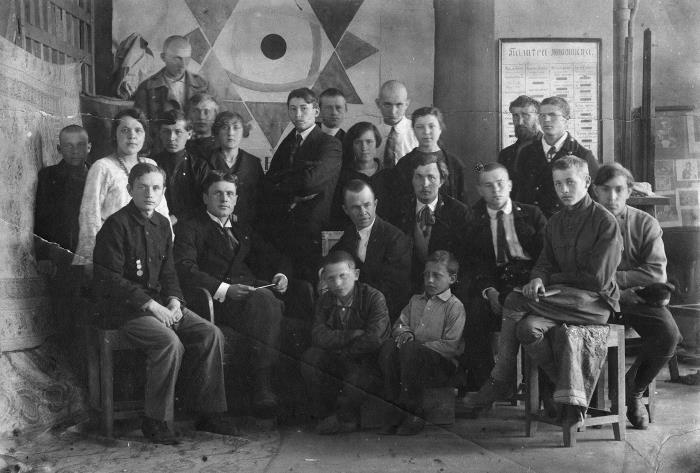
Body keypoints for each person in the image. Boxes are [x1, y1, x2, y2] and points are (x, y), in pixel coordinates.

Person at [92, 163, 233, 444]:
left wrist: (174, 301)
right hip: (124, 311)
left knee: (210, 334)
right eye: (142, 187)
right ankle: (155, 420)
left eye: (156, 188)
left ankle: (209, 412)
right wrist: (151, 305)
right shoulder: (116, 225)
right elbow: (109, 279)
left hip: (160, 304)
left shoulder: (162, 224)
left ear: (163, 191)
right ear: (130, 189)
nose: (149, 193)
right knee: (169, 342)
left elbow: (169, 272)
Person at [511, 156, 622, 426]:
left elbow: (596, 280)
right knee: (526, 329)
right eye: (558, 184)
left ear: (587, 182)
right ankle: (564, 387)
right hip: (559, 300)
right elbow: (544, 262)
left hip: (593, 303)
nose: (564, 190)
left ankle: (503, 376)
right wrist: (538, 279)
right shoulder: (555, 222)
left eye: (570, 182)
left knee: (514, 300)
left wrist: (553, 280)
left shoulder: (605, 222)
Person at [174, 171, 289, 415]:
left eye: (229, 194)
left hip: (249, 297)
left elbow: (273, 256)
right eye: (217, 193)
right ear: (205, 198)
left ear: (236, 199)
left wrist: (281, 274)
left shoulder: (241, 228)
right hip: (214, 302)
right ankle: (263, 384)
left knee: (268, 300)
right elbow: (185, 268)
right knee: (267, 303)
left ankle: (271, 387)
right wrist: (225, 290)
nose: (224, 199)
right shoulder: (190, 227)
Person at [593, 163, 681, 429]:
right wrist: (614, 288)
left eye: (619, 189)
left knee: (669, 334)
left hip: (636, 299)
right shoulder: (586, 222)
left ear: (629, 191)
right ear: (595, 191)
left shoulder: (645, 223)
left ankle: (634, 388)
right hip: (596, 299)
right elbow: (582, 273)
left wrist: (613, 281)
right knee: (572, 331)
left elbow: (655, 273)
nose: (612, 197)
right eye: (605, 190)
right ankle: (583, 400)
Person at [459, 163, 546, 396]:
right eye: (488, 185)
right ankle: (486, 386)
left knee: (542, 321)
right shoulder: (472, 220)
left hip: (528, 283)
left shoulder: (532, 214)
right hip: (495, 284)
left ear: (509, 185)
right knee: (474, 312)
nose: (495, 190)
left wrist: (534, 281)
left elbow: (545, 256)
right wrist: (489, 291)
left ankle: (542, 390)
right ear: (480, 190)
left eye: (500, 184)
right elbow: (473, 264)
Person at [301, 250, 390, 434]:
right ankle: (325, 414)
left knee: (358, 375)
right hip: (339, 357)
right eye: (331, 278)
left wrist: (345, 350)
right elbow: (318, 335)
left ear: (356, 274)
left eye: (343, 276)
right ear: (324, 279)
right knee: (311, 357)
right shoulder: (324, 301)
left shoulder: (374, 297)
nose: (337, 283)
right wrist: (351, 335)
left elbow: (374, 339)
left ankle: (345, 418)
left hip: (367, 361)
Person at [378, 250, 465, 435]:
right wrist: (406, 333)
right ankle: (395, 408)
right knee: (388, 347)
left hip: (441, 365)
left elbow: (450, 346)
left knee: (410, 351)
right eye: (426, 275)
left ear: (452, 278)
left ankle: (415, 412)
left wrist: (414, 347)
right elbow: (399, 324)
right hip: (410, 358)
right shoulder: (415, 301)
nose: (429, 280)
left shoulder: (454, 306)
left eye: (436, 276)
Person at [262, 87, 342, 282]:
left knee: (308, 284)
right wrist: (294, 184)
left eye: (304, 108)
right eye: (293, 109)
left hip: (311, 229)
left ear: (316, 111)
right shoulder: (288, 143)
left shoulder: (329, 144)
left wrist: (284, 183)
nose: (298, 114)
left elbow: (309, 182)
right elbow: (269, 182)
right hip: (283, 228)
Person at [74, 108, 170, 269]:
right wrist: (90, 258)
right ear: (115, 135)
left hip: (147, 249)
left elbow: (162, 210)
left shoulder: (151, 165)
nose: (132, 136)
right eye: (125, 130)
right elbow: (89, 216)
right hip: (111, 249)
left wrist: (167, 248)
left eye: (138, 130)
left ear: (145, 135)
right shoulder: (102, 167)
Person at [34, 125, 91, 333]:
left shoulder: (98, 174)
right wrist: (43, 255)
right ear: (59, 148)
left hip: (93, 254)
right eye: (68, 146)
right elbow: (41, 218)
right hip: (62, 254)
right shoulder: (48, 176)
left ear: (89, 147)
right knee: (65, 312)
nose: (75, 151)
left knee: (92, 311)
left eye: (80, 145)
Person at [330, 180, 412, 322]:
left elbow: (393, 289)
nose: (363, 212)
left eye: (367, 205)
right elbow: (332, 257)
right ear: (346, 210)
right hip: (353, 309)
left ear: (375, 204)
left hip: (385, 313)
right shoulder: (349, 234)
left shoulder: (396, 238)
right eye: (356, 207)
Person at [388, 153, 471, 292]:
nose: (425, 184)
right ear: (412, 180)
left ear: (441, 181)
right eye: (419, 177)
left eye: (431, 177)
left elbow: (465, 261)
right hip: (407, 289)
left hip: (447, 291)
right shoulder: (397, 210)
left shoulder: (459, 213)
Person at [514, 96, 599, 218]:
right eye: (542, 115)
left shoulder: (582, 155)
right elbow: (518, 194)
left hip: (566, 223)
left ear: (566, 119)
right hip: (532, 224)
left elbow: (594, 200)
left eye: (552, 115)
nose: (546, 119)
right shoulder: (526, 152)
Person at [134, 36, 208, 154]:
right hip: (160, 152)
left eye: (187, 59)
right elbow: (141, 127)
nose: (183, 65)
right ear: (163, 57)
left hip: (196, 153)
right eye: (177, 58)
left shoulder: (202, 85)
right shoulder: (147, 88)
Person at [194, 111, 264, 225]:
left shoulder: (253, 163)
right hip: (211, 224)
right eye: (225, 128)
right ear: (217, 132)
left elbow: (260, 200)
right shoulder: (204, 161)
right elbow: (197, 199)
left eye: (236, 128)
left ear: (243, 131)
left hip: (246, 225)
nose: (230, 133)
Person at [392, 106, 466, 205]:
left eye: (431, 126)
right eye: (420, 127)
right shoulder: (403, 164)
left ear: (440, 129)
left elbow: (462, 203)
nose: (426, 132)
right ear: (413, 130)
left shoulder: (454, 164)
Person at [329, 122, 390, 228]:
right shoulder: (342, 177)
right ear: (352, 145)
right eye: (358, 142)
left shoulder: (389, 175)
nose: (364, 147)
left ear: (377, 143)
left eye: (369, 142)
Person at [151, 109, 200, 222]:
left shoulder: (199, 166)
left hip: (191, 224)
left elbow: (203, 203)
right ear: (160, 134)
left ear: (189, 134)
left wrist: (177, 217)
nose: (171, 137)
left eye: (178, 132)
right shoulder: (152, 163)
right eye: (166, 131)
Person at [498, 95, 541, 196]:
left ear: (538, 118)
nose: (520, 122)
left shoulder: (548, 150)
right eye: (516, 116)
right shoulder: (505, 154)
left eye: (526, 115)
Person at [375, 80, 418, 169]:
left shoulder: (417, 132)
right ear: (378, 103)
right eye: (387, 105)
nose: (393, 112)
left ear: (407, 104)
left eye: (399, 105)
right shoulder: (372, 133)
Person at [185, 93, 219, 161]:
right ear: (188, 115)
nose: (201, 117)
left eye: (206, 112)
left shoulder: (221, 148)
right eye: (196, 111)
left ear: (215, 116)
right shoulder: (181, 145)